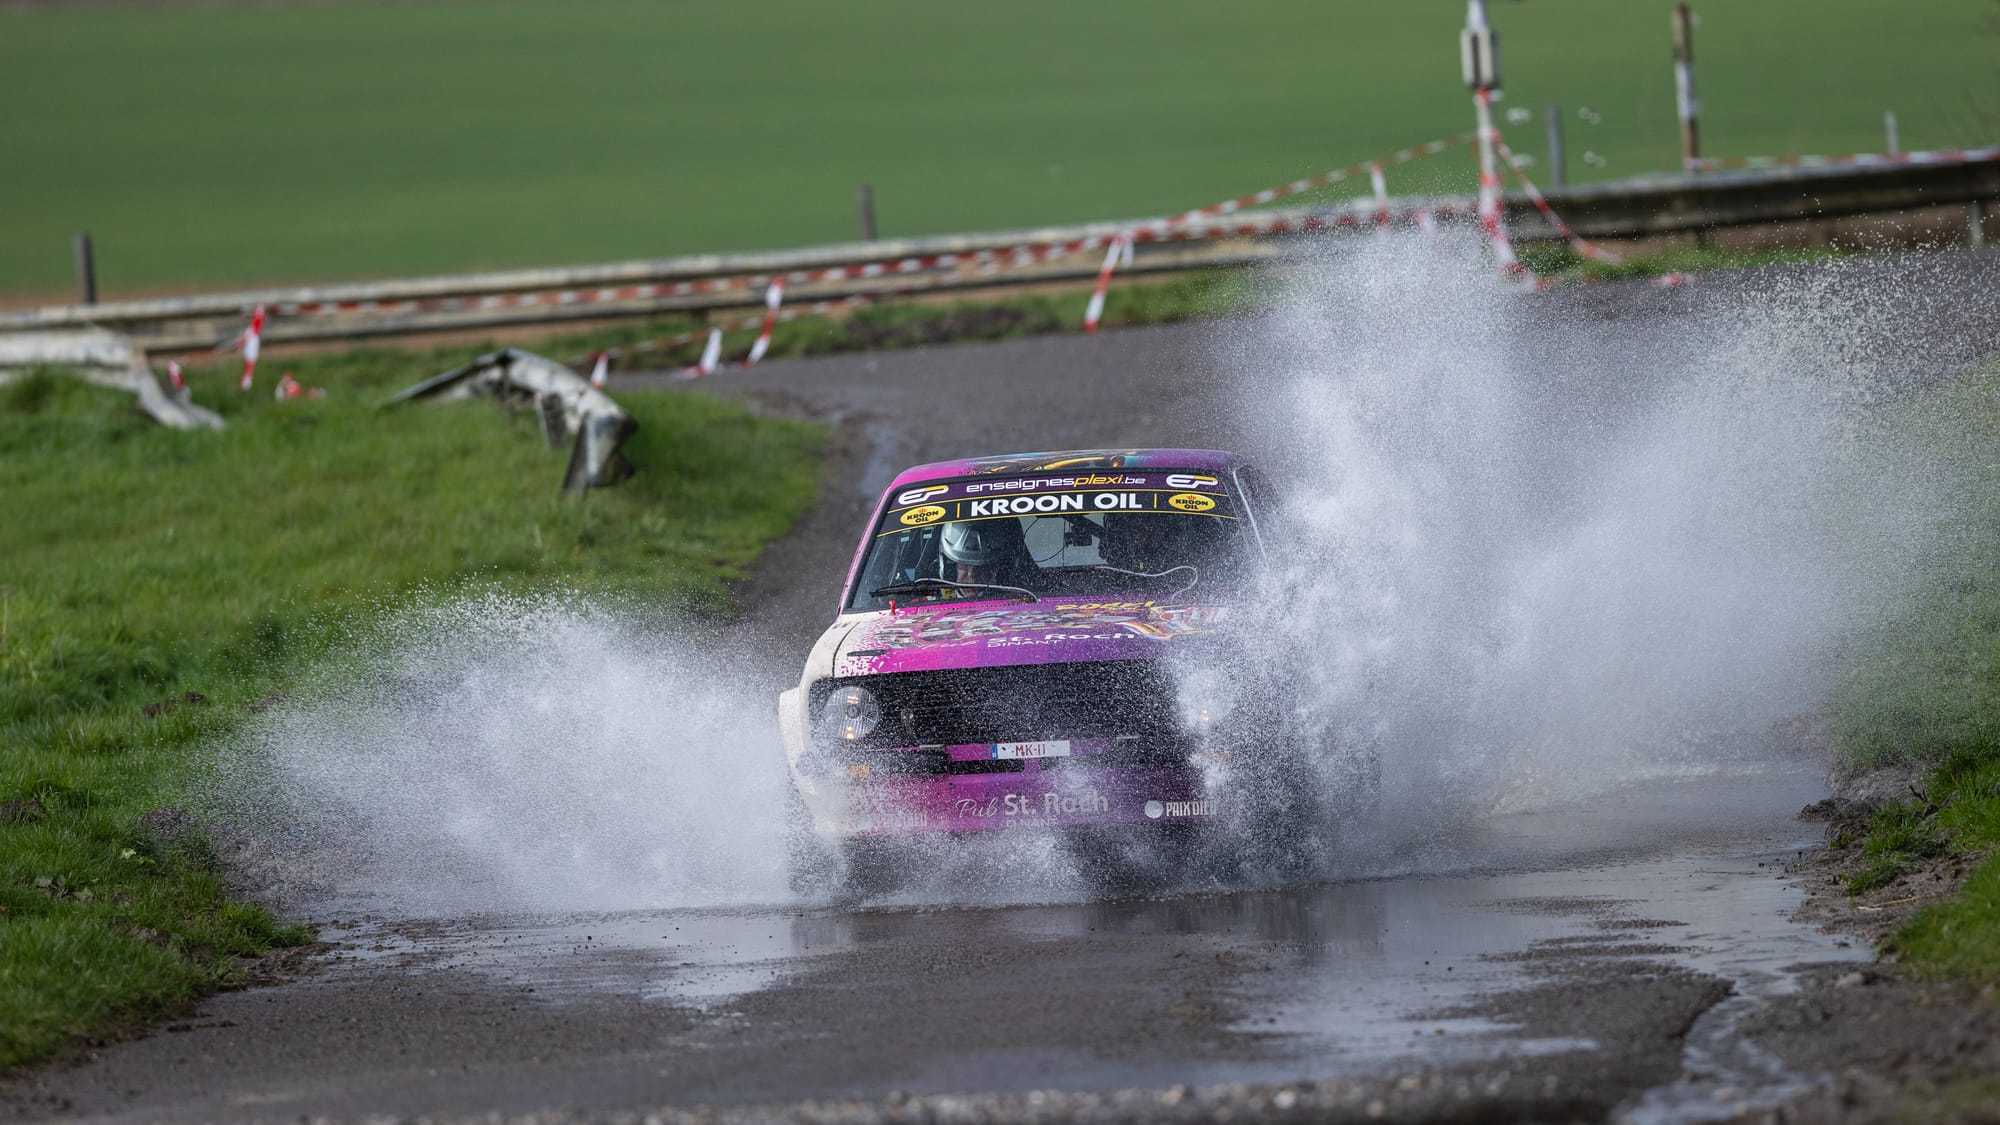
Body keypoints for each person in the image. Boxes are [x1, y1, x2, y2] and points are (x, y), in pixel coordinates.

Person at [939, 518, 1035, 589]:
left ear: (997, 568)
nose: (972, 575)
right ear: (951, 568)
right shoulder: (932, 598)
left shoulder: (1022, 598)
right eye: (963, 565)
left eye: (981, 567)